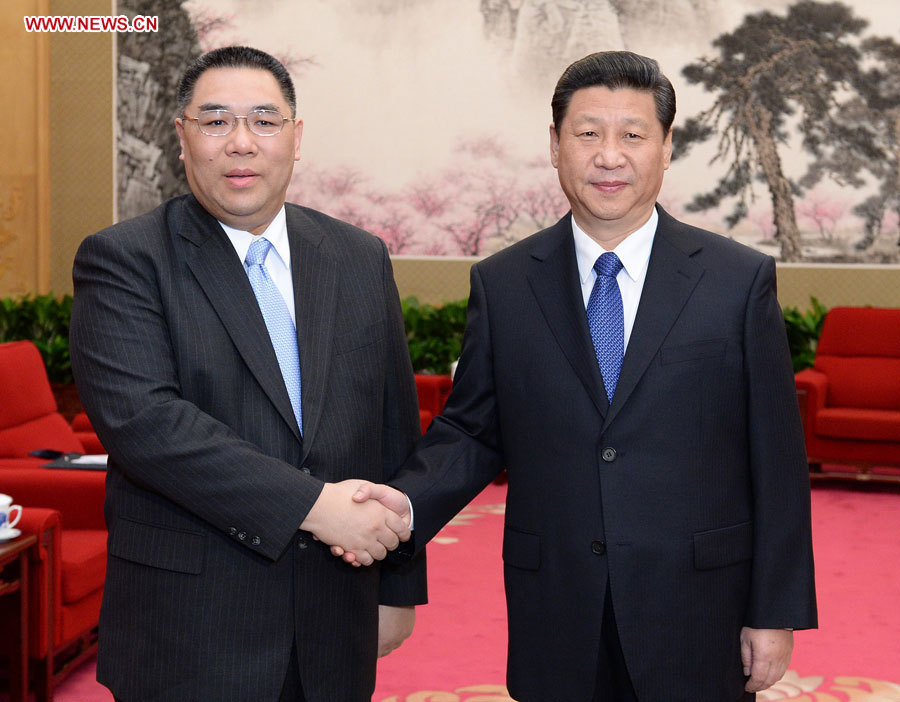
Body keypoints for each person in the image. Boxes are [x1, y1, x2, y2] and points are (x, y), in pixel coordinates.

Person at [345, 51, 817, 701]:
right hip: (558, 601)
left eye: (632, 135)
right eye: (588, 133)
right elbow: (473, 432)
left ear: (666, 147)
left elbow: (778, 460)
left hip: (698, 606)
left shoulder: (737, 282)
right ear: (555, 145)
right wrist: (402, 504)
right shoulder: (505, 284)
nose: (609, 155)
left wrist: (775, 609)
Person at [69, 46, 425, 702]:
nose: (241, 143)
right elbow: (147, 426)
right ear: (182, 138)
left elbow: (391, 428)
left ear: (296, 139)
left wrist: (399, 586)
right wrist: (315, 507)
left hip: (334, 619)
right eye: (215, 121)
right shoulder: (124, 260)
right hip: (192, 629)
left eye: (265, 121)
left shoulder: (356, 257)